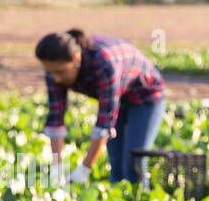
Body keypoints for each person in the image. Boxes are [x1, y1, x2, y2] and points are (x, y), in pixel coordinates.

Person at [34, 29, 166, 185]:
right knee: (116, 165)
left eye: (60, 72)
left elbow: (104, 125)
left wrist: (84, 170)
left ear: (76, 59)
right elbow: (56, 119)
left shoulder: (103, 65)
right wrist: (57, 167)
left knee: (133, 162)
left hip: (146, 95)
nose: (56, 78)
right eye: (50, 72)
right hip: (118, 96)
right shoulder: (54, 74)